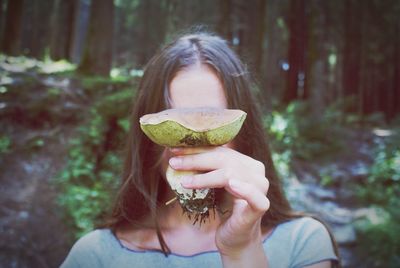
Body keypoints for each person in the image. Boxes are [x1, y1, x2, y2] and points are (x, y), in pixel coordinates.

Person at [60, 32, 340, 268]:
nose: (194, 139)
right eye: (174, 119)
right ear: (146, 137)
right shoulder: (95, 255)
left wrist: (243, 251)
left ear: (244, 131)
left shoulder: (302, 243)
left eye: (211, 119)